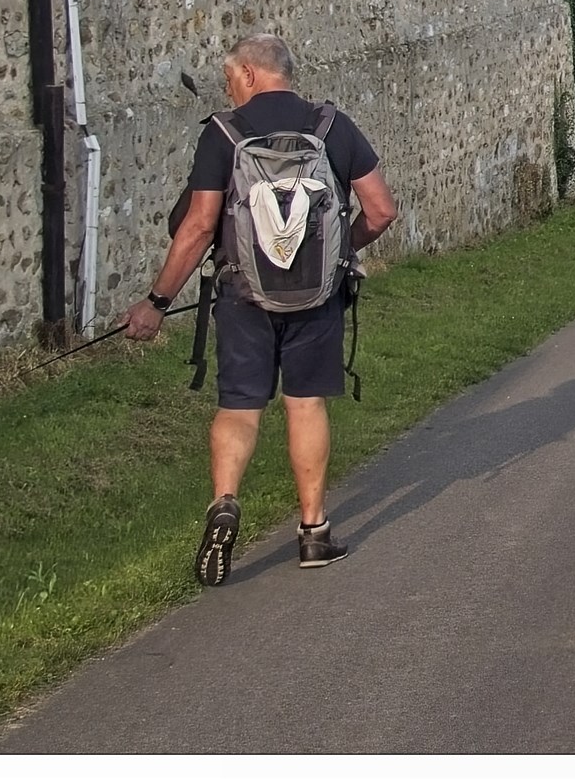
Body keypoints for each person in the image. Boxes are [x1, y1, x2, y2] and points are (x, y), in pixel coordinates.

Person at [125, 33, 397, 585]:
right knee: (304, 406)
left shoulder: (225, 132)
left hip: (243, 295)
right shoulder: (332, 127)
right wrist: (339, 254)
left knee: (240, 408)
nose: (229, 90)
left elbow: (200, 226)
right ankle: (314, 533)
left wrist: (156, 303)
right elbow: (381, 210)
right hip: (317, 298)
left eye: (229, 80)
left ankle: (225, 502)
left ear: (249, 74)